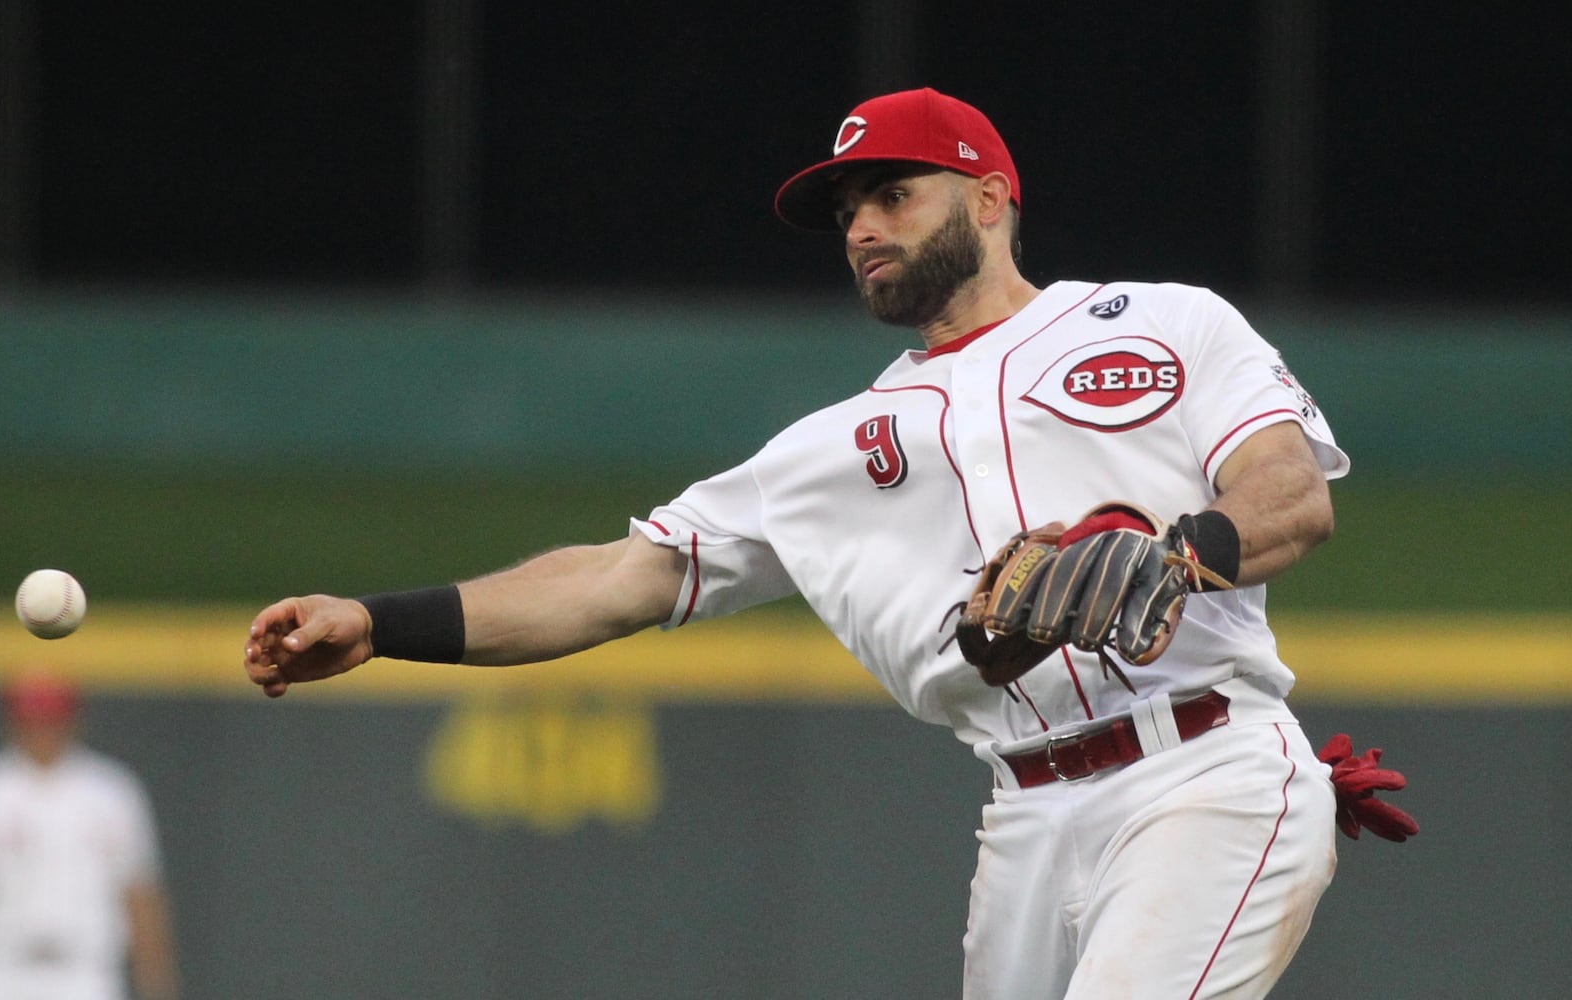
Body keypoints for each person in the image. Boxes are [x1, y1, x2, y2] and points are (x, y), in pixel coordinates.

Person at [242, 87, 1414, 998]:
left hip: (1202, 769)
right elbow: (612, 582)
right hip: (1028, 815)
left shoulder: (1163, 319)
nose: (860, 226)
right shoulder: (827, 451)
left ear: (991, 196)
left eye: (893, 192)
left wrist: (1181, 549)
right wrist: (377, 623)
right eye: (846, 212)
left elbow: (1290, 496)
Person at [0, 667, 179, 1000]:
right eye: (32, 719)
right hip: (0, 972)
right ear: (11, 721)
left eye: (51, 718)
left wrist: (158, 987)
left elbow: (142, 903)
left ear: (73, 720)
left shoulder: (112, 793)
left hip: (86, 973)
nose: (42, 730)